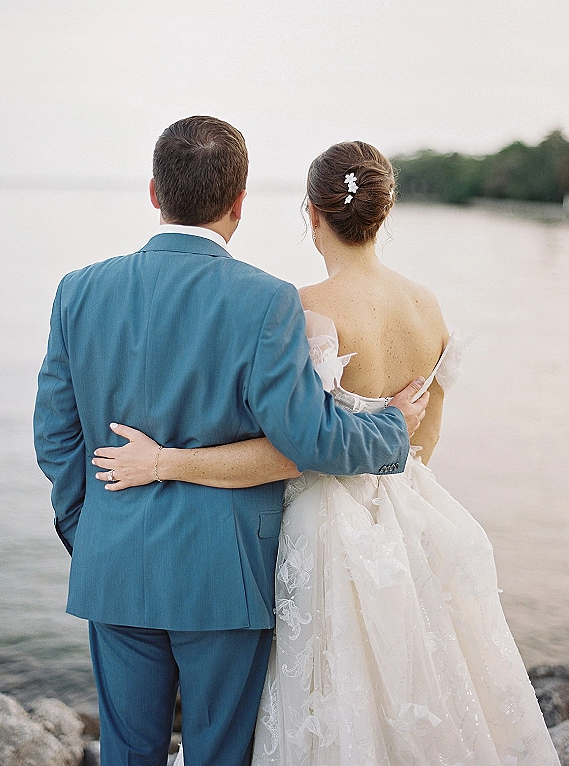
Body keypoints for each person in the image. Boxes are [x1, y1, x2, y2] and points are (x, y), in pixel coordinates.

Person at [93, 141, 561, 765]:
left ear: (312, 214)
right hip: (408, 520)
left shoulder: (303, 307)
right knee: (414, 690)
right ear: (382, 214)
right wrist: (389, 472)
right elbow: (423, 443)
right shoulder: (427, 306)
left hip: (321, 529)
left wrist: (164, 463)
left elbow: (294, 452)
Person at [33, 118, 429, 766]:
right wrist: (391, 428)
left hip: (114, 565)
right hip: (222, 577)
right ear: (240, 204)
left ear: (155, 192)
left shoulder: (78, 291)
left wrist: (92, 529)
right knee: (219, 755)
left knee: (127, 752)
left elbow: (55, 439)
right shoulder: (265, 301)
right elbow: (308, 437)